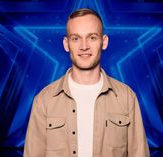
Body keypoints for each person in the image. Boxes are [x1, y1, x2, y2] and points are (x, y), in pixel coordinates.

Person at [23, 8, 150, 157]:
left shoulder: (126, 98)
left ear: (104, 42)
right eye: (76, 38)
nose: (84, 46)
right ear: (66, 43)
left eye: (92, 37)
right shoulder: (44, 100)